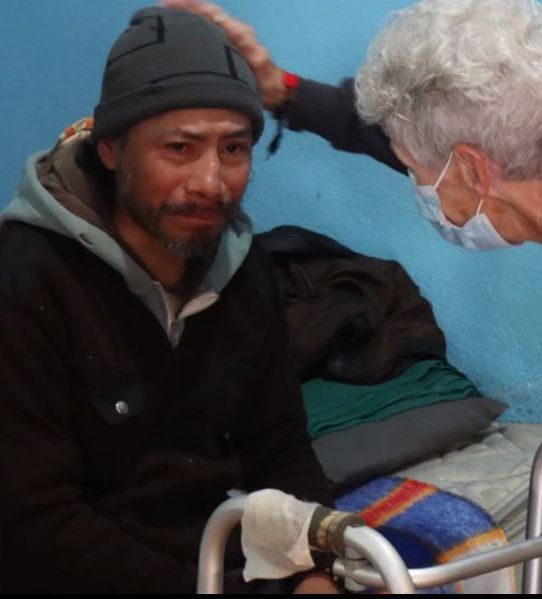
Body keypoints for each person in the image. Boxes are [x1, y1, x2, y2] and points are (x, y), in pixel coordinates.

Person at [0, 6, 339, 594]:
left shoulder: (242, 268)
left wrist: (314, 569)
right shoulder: (25, 281)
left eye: (233, 150)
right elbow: (31, 525)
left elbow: (281, 450)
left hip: (208, 554)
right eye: (180, 148)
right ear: (110, 149)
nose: (211, 181)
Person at [166, 0, 542, 408]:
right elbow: (414, 136)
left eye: (415, 168)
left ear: (471, 170)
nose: (415, 180)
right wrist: (282, 89)